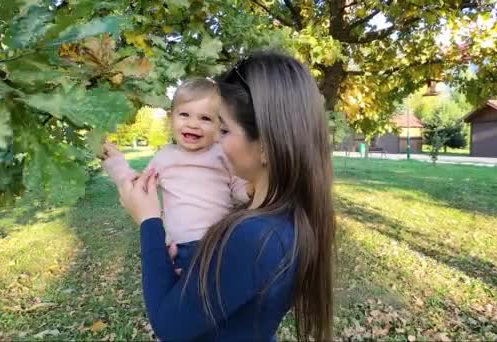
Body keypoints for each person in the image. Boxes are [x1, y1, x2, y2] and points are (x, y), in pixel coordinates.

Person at [116, 51, 335, 341]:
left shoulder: (254, 237)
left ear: (267, 146)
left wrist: (148, 221)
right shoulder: (286, 219)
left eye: (224, 129)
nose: (215, 140)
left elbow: (169, 327)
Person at [101, 79, 250, 270]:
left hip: (222, 241)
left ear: (219, 125)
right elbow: (141, 187)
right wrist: (116, 163)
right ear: (171, 118)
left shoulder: (222, 153)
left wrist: (252, 190)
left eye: (205, 118)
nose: (193, 124)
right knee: (186, 293)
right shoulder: (164, 157)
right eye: (185, 115)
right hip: (182, 246)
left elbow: (237, 187)